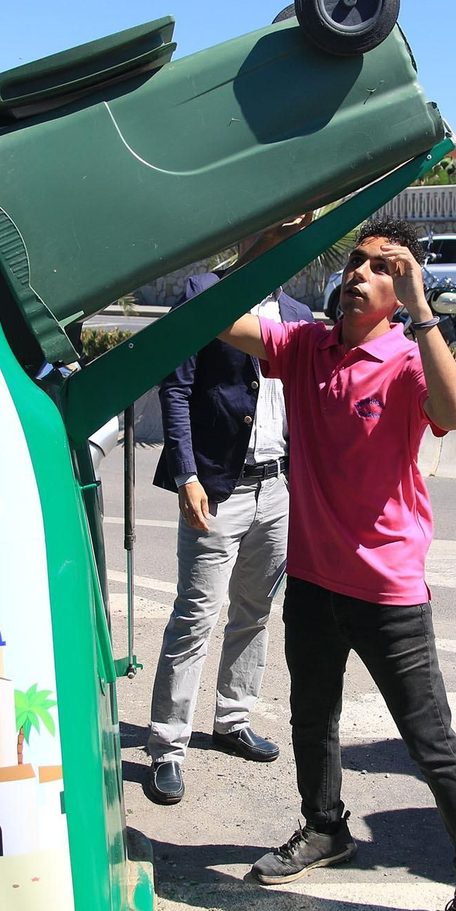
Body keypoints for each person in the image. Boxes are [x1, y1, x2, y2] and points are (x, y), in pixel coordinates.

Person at [218, 216, 456, 911]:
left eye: (382, 267)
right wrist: (268, 243)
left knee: (429, 740)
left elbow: (455, 414)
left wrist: (421, 309)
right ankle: (326, 827)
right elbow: (218, 315)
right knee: (311, 717)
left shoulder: (409, 357)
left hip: (387, 587)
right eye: (355, 261)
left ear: (399, 289)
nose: (360, 273)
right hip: (314, 578)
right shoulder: (306, 346)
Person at [144, 218, 315, 805]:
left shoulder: (297, 314)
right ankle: (167, 745)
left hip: (277, 488)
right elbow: (176, 387)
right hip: (218, 488)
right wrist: (187, 474)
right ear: (247, 234)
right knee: (195, 617)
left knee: (255, 609)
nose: (277, 247)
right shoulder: (203, 294)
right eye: (269, 234)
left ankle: (233, 717)